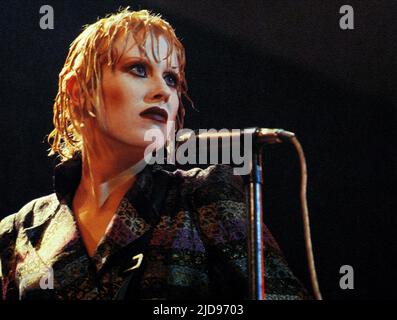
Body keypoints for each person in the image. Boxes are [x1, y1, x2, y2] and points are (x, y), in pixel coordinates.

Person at [0, 8, 309, 300]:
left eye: (171, 78)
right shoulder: (18, 232)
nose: (163, 90)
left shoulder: (203, 197)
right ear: (79, 91)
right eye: (138, 68)